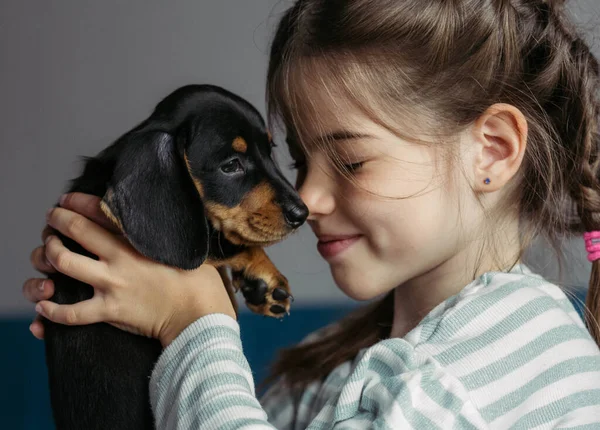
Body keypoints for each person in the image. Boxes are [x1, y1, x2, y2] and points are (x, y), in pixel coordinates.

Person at [22, 0, 600, 428]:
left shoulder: (513, 353)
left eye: (350, 161)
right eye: (299, 160)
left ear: (491, 151)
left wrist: (194, 331)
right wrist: (142, 343)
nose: (308, 198)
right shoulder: (328, 369)